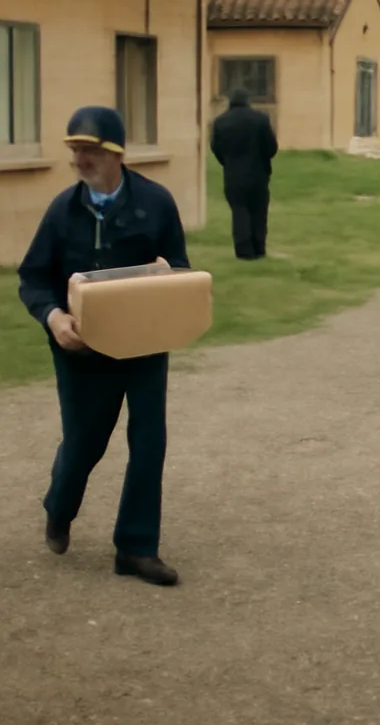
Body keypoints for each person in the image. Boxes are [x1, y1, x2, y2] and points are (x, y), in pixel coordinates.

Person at [16, 106, 191, 585]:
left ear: (116, 154)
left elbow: (179, 266)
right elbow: (33, 279)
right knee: (85, 441)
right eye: (75, 151)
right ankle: (60, 505)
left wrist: (167, 271)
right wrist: (53, 318)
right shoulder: (61, 211)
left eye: (90, 151)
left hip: (144, 344)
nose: (80, 161)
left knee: (149, 441)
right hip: (81, 350)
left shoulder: (156, 203)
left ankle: (136, 548)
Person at [210, 86, 278, 260]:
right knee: (259, 211)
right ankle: (259, 248)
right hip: (258, 173)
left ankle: (243, 251)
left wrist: (227, 162)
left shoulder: (220, 122)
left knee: (239, 211)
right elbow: (271, 147)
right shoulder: (261, 119)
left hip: (233, 175)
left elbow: (216, 148)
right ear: (248, 101)